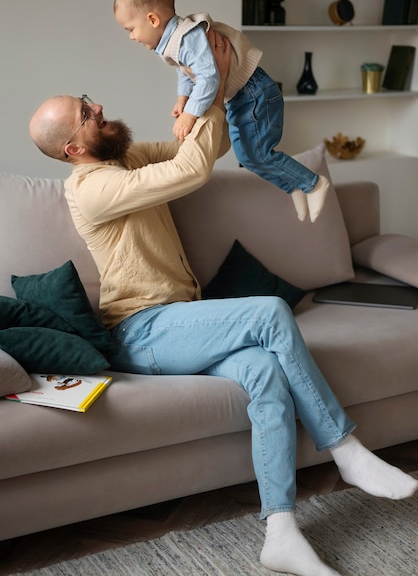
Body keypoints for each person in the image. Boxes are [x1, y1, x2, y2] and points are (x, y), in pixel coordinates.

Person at [29, 35, 417, 576]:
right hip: (141, 331)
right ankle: (345, 449)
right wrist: (207, 86)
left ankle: (280, 532)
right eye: (87, 114)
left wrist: (205, 87)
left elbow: (202, 153)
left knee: (264, 374)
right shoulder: (91, 189)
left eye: (89, 101)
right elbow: (186, 174)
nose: (100, 109)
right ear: (74, 148)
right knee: (268, 313)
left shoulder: (125, 160)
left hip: (181, 323)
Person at [113, 0, 329, 224]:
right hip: (239, 97)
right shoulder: (175, 41)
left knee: (259, 153)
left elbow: (208, 77)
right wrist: (183, 99)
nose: (131, 37)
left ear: (152, 19)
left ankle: (313, 184)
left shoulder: (188, 37)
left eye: (131, 29)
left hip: (255, 92)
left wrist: (190, 115)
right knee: (247, 157)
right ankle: (293, 186)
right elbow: (185, 71)